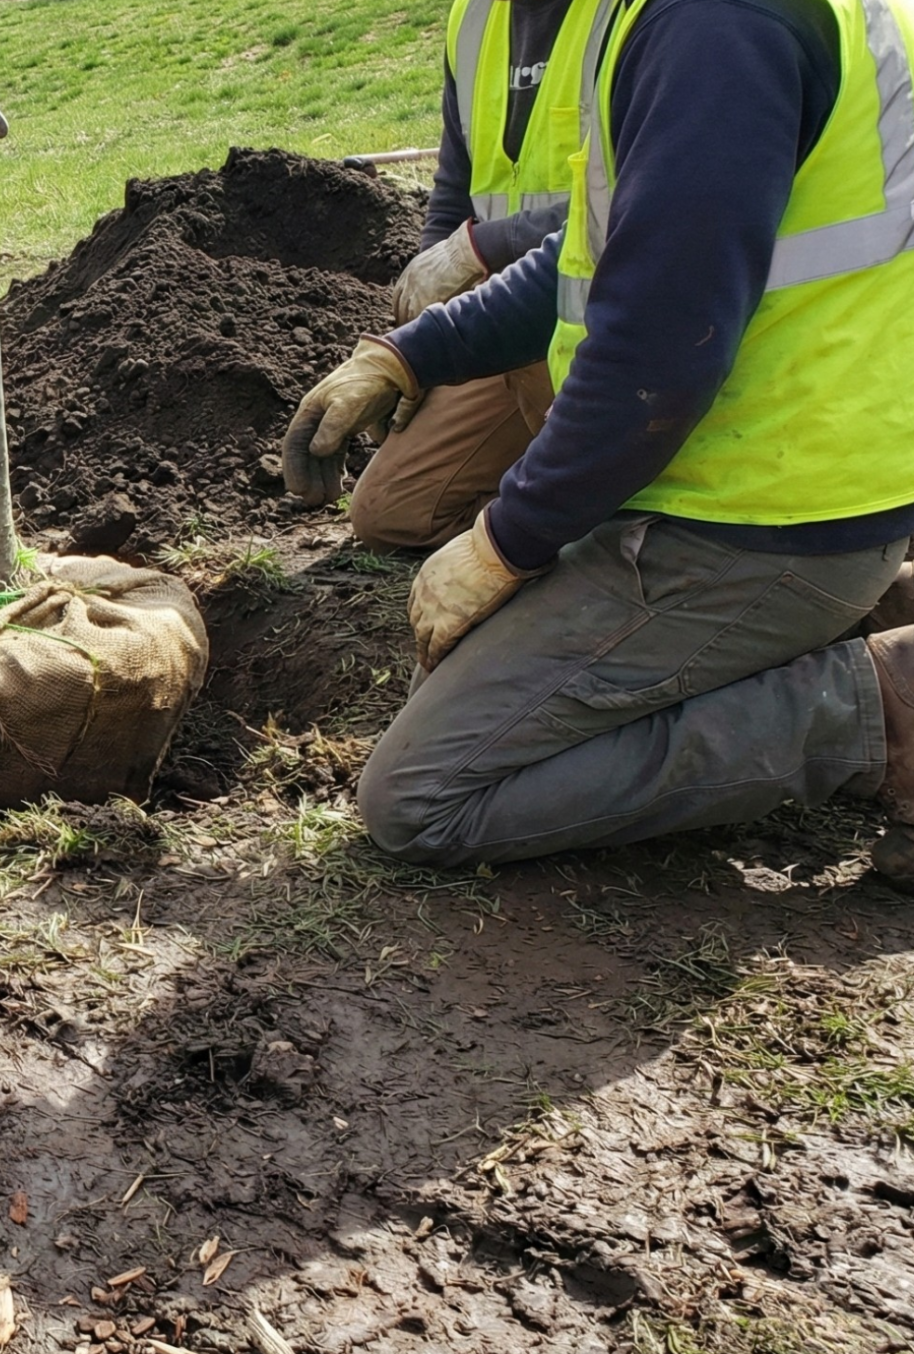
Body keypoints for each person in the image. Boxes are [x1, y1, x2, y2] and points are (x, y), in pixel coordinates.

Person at [283, 0, 914, 876]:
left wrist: (508, 542)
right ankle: (861, 611)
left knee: (424, 798)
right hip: (796, 484)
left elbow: (658, 351)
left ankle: (878, 710)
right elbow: (603, 252)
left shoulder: (715, 26)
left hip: (758, 514)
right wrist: (408, 355)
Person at [314, 0, 600, 552]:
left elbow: (637, 205)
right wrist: (428, 317)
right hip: (502, 319)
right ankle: (552, 499)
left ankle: (583, 513)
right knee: (391, 513)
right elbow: (455, 184)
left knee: (598, 499)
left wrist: (479, 248)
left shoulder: (637, 17)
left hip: (605, 319)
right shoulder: (475, 17)